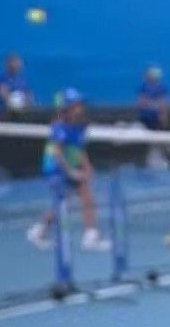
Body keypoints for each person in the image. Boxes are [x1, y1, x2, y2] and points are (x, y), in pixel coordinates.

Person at [26, 90, 110, 253]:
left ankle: (90, 237)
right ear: (67, 108)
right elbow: (58, 152)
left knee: (86, 195)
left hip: (72, 166)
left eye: (80, 104)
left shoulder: (80, 125)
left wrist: (87, 166)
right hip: (55, 168)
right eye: (76, 105)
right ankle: (38, 230)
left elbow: (79, 149)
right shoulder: (59, 127)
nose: (80, 107)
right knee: (62, 204)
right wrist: (70, 171)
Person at [136, 65, 170, 169]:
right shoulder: (145, 87)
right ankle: (152, 156)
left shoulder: (159, 88)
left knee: (157, 136)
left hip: (154, 116)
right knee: (151, 136)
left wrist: (163, 114)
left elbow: (163, 103)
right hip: (148, 116)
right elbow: (142, 102)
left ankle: (158, 155)